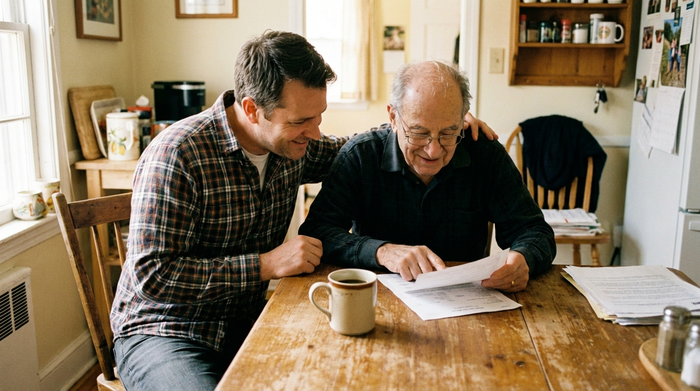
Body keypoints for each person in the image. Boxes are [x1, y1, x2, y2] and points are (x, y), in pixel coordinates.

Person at [110, 31, 496, 390]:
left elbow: (362, 148)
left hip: (249, 322)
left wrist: (437, 124)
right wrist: (266, 265)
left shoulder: (294, 146)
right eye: (300, 121)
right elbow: (153, 276)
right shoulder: (177, 154)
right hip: (165, 331)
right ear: (251, 108)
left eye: (319, 116)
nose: (315, 132)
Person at [299, 61, 556, 291]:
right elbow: (317, 232)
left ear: (462, 120)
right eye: (419, 133)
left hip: (466, 307)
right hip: (376, 302)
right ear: (393, 117)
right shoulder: (360, 156)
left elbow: (535, 231)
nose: (433, 150)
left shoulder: (485, 155)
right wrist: (381, 252)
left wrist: (523, 259)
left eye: (448, 133)